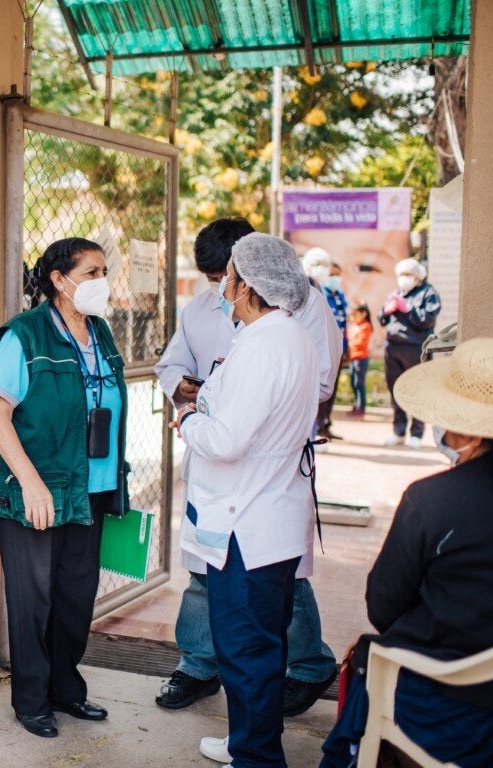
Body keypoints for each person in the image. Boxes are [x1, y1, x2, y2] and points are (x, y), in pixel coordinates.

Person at [153, 219, 337, 724]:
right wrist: (191, 389)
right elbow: (172, 366)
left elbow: (306, 389)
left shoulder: (288, 323)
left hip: (252, 484)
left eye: (225, 276)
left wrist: (197, 412)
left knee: (260, 616)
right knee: (215, 587)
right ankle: (203, 670)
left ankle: (297, 679)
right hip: (232, 480)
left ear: (248, 277)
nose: (220, 289)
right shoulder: (225, 316)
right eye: (212, 277)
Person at [321, 337, 493, 767]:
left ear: (465, 429)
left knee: (370, 653)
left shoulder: (431, 500)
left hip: (448, 715)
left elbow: (384, 607)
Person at [0, 237, 129, 738]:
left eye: (103, 271)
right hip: (37, 490)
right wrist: (30, 482)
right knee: (34, 599)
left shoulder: (101, 332)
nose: (101, 282)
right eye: (91, 272)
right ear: (59, 279)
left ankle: (66, 690)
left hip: (90, 488)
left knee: (75, 595)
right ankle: (31, 699)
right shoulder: (24, 336)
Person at [379, 258, 441, 449]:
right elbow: (382, 319)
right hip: (393, 346)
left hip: (416, 348)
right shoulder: (396, 293)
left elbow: (427, 320)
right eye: (402, 275)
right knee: (395, 389)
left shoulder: (428, 293)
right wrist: (386, 311)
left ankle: (417, 433)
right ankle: (398, 431)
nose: (404, 278)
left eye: (409, 275)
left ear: (418, 276)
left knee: (417, 390)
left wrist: (407, 308)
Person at [303, 251, 348, 440]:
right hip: (310, 349)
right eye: (317, 264)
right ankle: (315, 431)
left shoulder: (321, 288)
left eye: (325, 265)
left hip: (328, 348)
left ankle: (322, 426)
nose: (323, 269)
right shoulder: (304, 285)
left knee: (326, 390)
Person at [347, 305, 372, 416]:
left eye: (355, 315)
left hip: (361, 358)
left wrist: (349, 344)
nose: (353, 317)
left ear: (363, 314)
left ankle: (361, 406)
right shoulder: (353, 326)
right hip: (353, 358)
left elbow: (361, 343)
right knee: (353, 382)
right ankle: (357, 404)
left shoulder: (366, 326)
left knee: (359, 383)